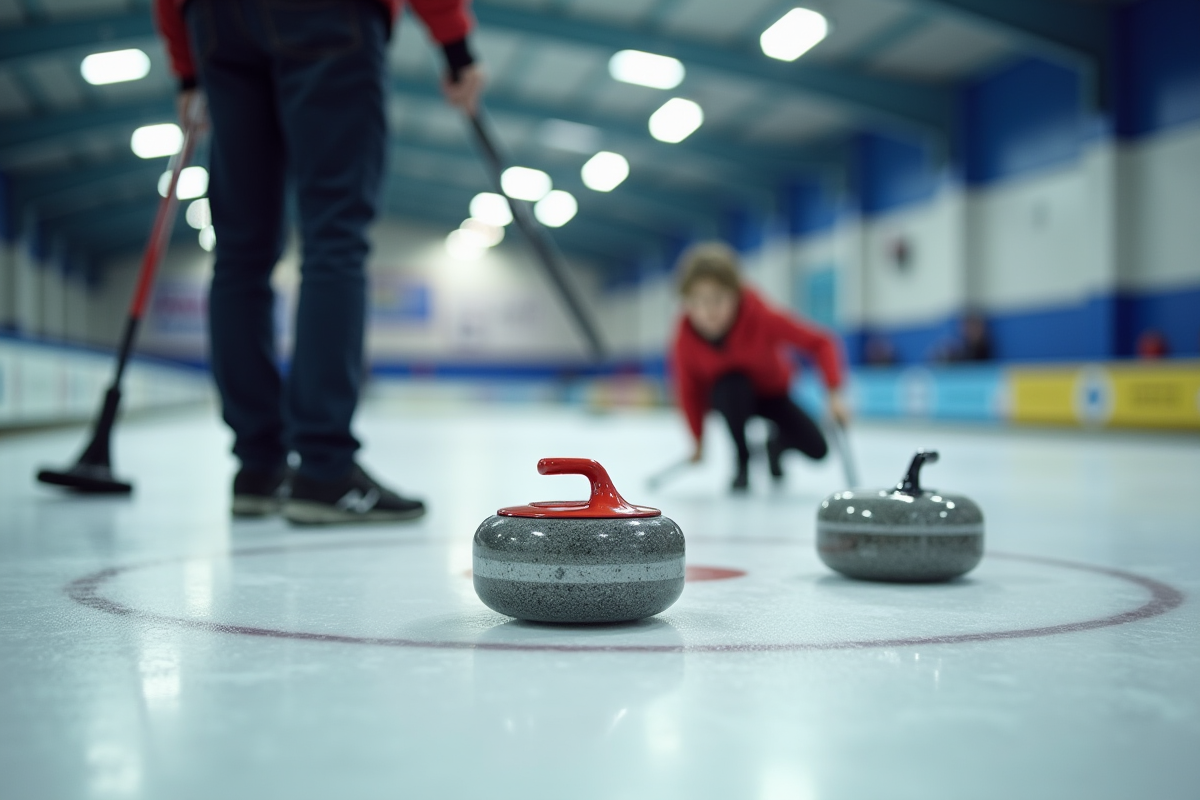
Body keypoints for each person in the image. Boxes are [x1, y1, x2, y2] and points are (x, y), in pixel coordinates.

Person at [153, 0, 484, 524]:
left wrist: (187, 68)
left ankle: (258, 468)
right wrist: (456, 46)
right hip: (330, 17)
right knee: (335, 237)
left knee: (239, 252)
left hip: (215, 23)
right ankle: (324, 469)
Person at [670, 242, 849, 491]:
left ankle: (776, 447)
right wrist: (698, 441)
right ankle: (742, 460)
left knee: (818, 450)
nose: (708, 311)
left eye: (717, 299)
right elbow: (688, 389)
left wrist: (834, 393)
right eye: (698, 302)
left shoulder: (761, 316)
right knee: (731, 385)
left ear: (736, 294)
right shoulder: (684, 338)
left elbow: (822, 343)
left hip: (773, 394)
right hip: (730, 398)